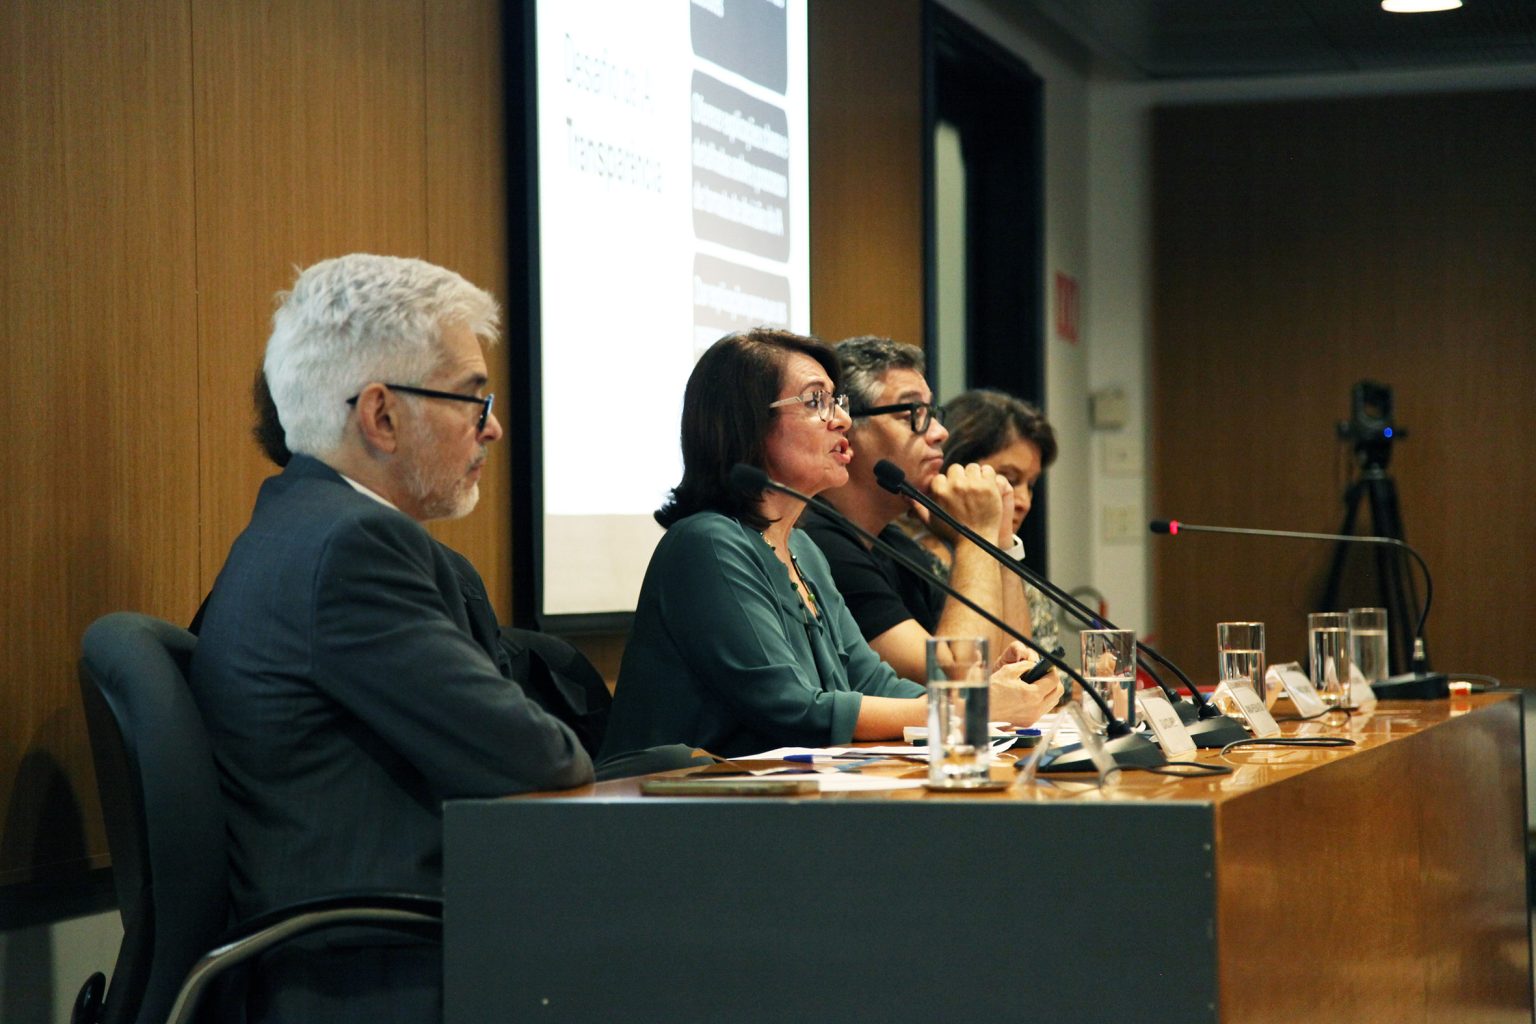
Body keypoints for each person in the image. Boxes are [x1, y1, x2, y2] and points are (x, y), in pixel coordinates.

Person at [191, 254, 594, 1024]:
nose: (493, 426)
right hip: (374, 974)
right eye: (473, 398)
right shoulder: (353, 549)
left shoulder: (295, 525)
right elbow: (543, 760)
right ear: (380, 416)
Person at [599, 329, 1060, 763]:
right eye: (816, 401)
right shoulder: (708, 544)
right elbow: (795, 709)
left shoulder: (803, 550)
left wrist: (983, 695)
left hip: (774, 796)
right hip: (673, 799)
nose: (842, 419)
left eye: (836, 401)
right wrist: (969, 708)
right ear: (749, 423)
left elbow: (874, 683)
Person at [800, 337, 1028, 684]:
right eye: (912, 415)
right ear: (846, 427)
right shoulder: (818, 542)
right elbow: (956, 680)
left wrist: (1001, 543)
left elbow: (1011, 671)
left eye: (932, 414)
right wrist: (975, 535)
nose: (940, 433)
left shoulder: (895, 546)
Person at [911, 388, 1063, 655]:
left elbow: (1024, 668)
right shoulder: (909, 560)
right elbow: (963, 670)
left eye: (1030, 485)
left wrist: (1004, 547)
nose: (1023, 501)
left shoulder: (1020, 576)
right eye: (1009, 479)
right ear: (952, 467)